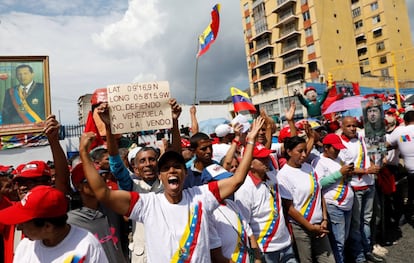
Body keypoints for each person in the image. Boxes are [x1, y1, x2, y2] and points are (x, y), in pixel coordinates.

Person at [79, 116, 264, 262]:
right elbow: (103, 193)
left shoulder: (202, 196)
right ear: (160, 176)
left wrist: (250, 141)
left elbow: (238, 179)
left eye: (177, 166)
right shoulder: (147, 204)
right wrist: (84, 155)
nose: (172, 170)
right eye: (166, 168)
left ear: (185, 173)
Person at [0, 185, 108, 262]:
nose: (18, 228)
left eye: (23, 223)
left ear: (48, 227)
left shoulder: (86, 246)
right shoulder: (25, 246)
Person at [235, 142, 297, 263]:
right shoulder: (244, 189)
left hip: (285, 244)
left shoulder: (273, 178)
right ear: (250, 163)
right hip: (265, 249)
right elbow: (244, 224)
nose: (267, 160)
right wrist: (255, 252)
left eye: (267, 157)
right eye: (261, 158)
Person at [278, 136, 335, 263]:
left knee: (328, 260)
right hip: (301, 228)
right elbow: (289, 208)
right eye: (300, 151)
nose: (304, 155)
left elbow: (319, 194)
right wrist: (309, 226)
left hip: (320, 225)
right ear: (288, 152)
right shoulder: (283, 175)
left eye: (305, 150)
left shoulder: (309, 168)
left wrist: (324, 219)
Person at [338, 116, 383, 263]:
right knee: (356, 224)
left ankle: (368, 250)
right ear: (342, 127)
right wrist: (367, 170)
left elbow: (373, 147)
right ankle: (359, 256)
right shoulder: (340, 144)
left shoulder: (361, 137)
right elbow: (346, 169)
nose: (352, 128)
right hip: (354, 188)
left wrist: (375, 163)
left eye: (354, 125)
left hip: (369, 185)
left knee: (367, 220)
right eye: (349, 126)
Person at [67, 157, 128, 262]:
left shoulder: (112, 207)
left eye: (101, 177)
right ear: (79, 186)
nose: (98, 182)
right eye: (92, 179)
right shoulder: (70, 221)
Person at [311, 133, 354, 263]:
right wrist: (339, 173)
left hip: (346, 203)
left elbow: (344, 179)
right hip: (334, 205)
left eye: (339, 148)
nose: (338, 151)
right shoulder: (318, 161)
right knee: (338, 241)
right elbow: (319, 184)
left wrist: (348, 174)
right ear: (326, 148)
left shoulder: (338, 158)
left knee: (343, 239)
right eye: (335, 149)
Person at [387, 110, 414, 223]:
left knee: (411, 194)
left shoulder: (399, 131)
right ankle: (407, 214)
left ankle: (407, 215)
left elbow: (384, 145)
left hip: (412, 171)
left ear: (405, 121)